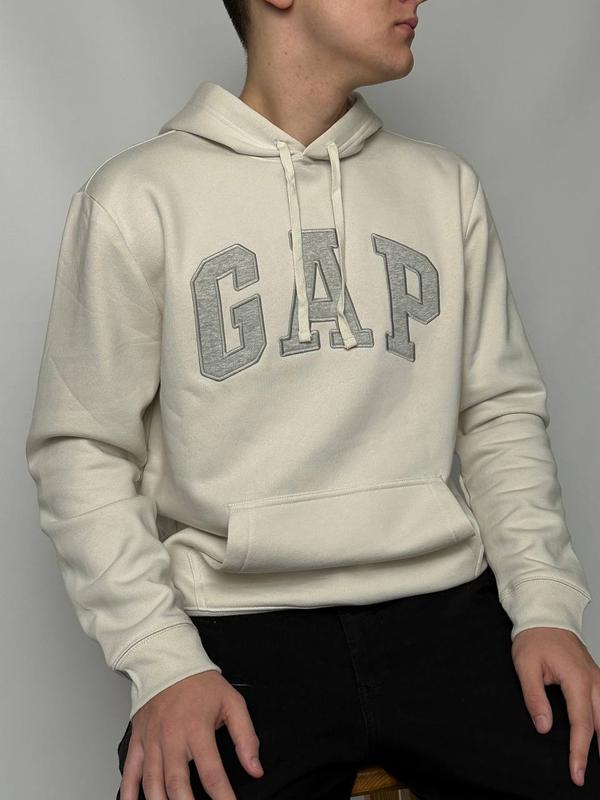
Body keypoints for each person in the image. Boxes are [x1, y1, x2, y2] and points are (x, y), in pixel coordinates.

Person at [25, 1, 600, 798]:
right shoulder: (138, 199)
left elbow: (497, 416)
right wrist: (162, 659)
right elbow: (82, 449)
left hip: (446, 611)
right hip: (237, 634)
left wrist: (545, 609)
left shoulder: (443, 189)